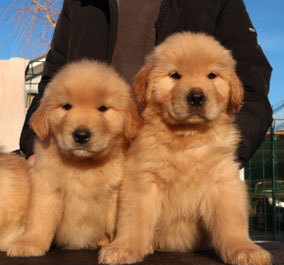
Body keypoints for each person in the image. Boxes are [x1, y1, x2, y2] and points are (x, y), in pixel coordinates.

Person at [20, 0, 273, 168]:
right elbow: (53, 82)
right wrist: (34, 147)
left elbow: (250, 81)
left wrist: (228, 149)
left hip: (180, 169)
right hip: (85, 169)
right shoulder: (80, 2)